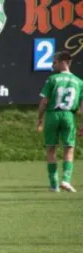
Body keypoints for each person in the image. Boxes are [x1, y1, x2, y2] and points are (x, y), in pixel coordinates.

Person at [37, 51, 82, 192]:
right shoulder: (79, 82)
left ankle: (54, 184)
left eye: (54, 62)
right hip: (69, 115)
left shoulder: (52, 79)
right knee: (69, 147)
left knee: (51, 148)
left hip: (52, 115)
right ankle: (66, 180)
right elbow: (82, 106)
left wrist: (39, 118)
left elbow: (44, 101)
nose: (52, 64)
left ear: (62, 62)